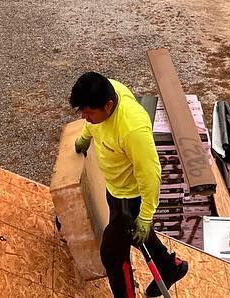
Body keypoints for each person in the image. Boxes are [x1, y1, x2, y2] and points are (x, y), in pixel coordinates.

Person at [71, 72, 189, 298]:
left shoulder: (133, 128)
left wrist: (145, 216)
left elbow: (151, 175)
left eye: (89, 113)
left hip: (131, 199)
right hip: (114, 188)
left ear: (108, 105)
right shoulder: (106, 91)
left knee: (113, 254)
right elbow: (94, 125)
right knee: (134, 236)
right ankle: (170, 266)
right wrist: (86, 135)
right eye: (82, 112)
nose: (85, 117)